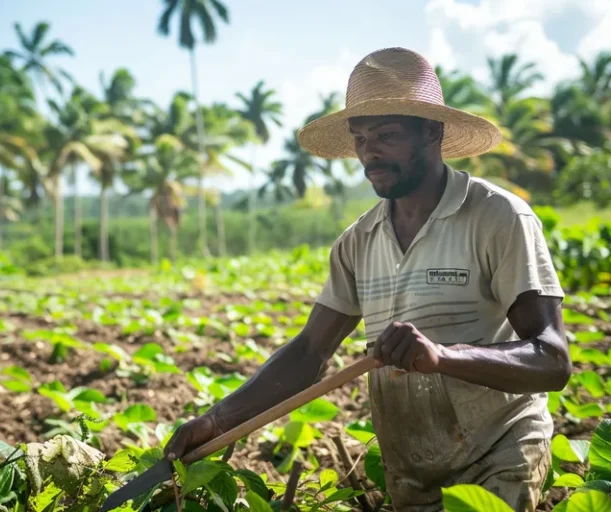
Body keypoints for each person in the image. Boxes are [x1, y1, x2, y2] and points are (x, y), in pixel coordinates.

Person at [164, 47, 571, 512]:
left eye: (387, 135)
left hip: (497, 457)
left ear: (433, 132)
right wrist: (217, 421)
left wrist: (443, 356)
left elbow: (551, 359)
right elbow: (308, 353)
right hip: (412, 469)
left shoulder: (498, 217)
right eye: (360, 138)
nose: (368, 152)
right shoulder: (358, 241)